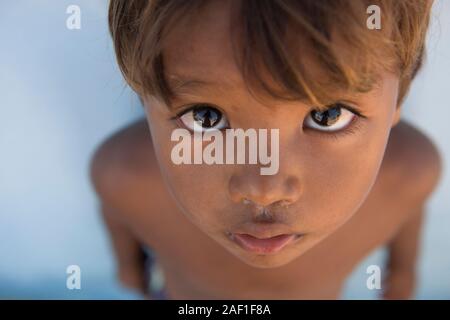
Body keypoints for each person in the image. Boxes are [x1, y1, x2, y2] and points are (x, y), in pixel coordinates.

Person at [90, 0, 442, 299]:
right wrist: (129, 270)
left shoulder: (410, 174)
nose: (264, 190)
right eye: (205, 117)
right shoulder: (124, 177)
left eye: (327, 115)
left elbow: (405, 223)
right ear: (140, 93)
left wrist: (402, 272)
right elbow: (124, 246)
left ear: (401, 94)